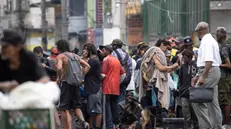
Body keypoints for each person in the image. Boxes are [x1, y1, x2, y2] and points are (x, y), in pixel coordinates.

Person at [192, 21, 222, 129]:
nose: (197, 35)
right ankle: (217, 126)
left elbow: (209, 61)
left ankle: (206, 126)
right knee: (212, 102)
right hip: (212, 71)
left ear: (201, 31)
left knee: (196, 98)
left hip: (209, 71)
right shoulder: (210, 40)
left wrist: (203, 76)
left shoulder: (207, 41)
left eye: (197, 32)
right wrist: (197, 75)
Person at [55, 39, 90, 129]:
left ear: (59, 47)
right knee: (76, 107)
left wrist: (59, 78)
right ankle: (84, 122)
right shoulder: (75, 56)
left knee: (63, 108)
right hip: (76, 84)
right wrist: (81, 76)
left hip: (66, 84)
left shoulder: (61, 56)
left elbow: (59, 68)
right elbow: (87, 66)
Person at [99, 45, 125, 129]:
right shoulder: (116, 60)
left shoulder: (106, 60)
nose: (101, 52)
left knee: (106, 109)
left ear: (107, 51)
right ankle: (116, 125)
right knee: (114, 107)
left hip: (107, 88)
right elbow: (123, 74)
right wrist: (117, 82)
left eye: (103, 50)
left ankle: (109, 126)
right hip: (115, 88)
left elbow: (102, 75)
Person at [82, 43, 102, 129]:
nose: (83, 51)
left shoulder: (93, 61)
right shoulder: (92, 60)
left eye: (85, 49)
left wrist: (82, 60)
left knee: (96, 111)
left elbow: (84, 72)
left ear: (89, 50)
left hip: (94, 88)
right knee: (92, 111)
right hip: (92, 88)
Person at [177, 49, 197, 128]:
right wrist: (180, 89)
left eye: (184, 58)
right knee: (186, 116)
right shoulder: (182, 67)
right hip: (184, 94)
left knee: (195, 115)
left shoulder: (195, 66)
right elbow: (180, 79)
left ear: (189, 57)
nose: (183, 59)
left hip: (194, 94)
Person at [216, 27, 231, 128]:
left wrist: (217, 64)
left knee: (225, 101)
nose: (216, 36)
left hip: (225, 78)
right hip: (226, 78)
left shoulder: (224, 48)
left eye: (217, 34)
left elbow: (228, 65)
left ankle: (226, 124)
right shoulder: (226, 46)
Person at [111, 39, 133, 103]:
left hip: (115, 80)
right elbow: (130, 69)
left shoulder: (113, 53)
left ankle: (116, 112)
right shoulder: (128, 56)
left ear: (115, 45)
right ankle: (121, 111)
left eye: (112, 45)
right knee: (121, 99)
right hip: (125, 80)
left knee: (114, 101)